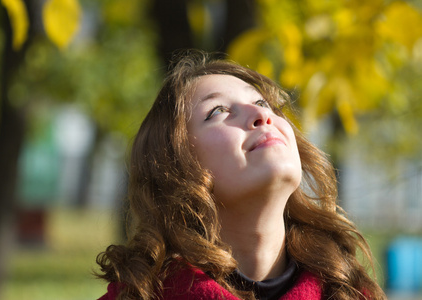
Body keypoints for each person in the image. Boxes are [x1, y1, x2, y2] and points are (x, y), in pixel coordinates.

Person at [96, 50, 386, 300]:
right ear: (175, 166)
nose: (262, 115)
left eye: (262, 103)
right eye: (218, 111)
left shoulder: (348, 290)